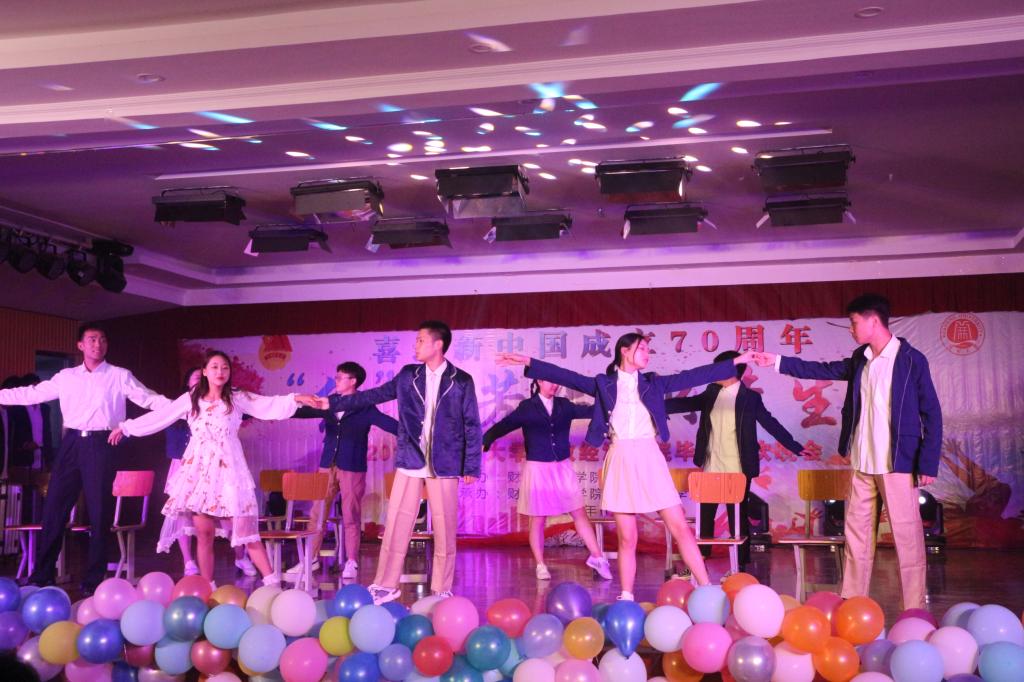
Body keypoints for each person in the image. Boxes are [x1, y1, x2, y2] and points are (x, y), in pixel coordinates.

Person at [497, 334, 753, 601]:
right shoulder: (603, 384)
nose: (647, 353)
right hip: (620, 457)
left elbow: (694, 376)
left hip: (649, 457)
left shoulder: (654, 383)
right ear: (625, 351)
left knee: (680, 527)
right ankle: (627, 595)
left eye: (648, 349)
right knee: (627, 537)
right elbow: (567, 376)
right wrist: (528, 361)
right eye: (642, 348)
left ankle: (706, 587)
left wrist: (738, 361)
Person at [753, 293, 942, 610]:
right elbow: (822, 370)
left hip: (898, 462)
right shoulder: (860, 359)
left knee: (907, 538)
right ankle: (853, 602)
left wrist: (928, 463)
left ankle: (914, 608)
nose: (851, 329)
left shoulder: (911, 360)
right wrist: (776, 361)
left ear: (873, 320)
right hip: (862, 461)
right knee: (856, 537)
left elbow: (931, 413)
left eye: (854, 322)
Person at [110, 350, 320, 587]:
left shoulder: (236, 397)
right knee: (204, 534)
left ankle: (272, 586)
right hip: (200, 474)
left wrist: (296, 398)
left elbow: (267, 404)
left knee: (247, 534)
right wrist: (127, 428)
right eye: (215, 367)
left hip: (230, 472)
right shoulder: (191, 399)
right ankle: (207, 588)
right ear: (205, 371)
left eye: (225, 368)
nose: (220, 372)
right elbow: (161, 416)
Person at [0, 323, 172, 595]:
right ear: (80, 345)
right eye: (92, 339)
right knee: (54, 508)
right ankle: (42, 575)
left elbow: (149, 399)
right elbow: (31, 393)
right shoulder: (66, 376)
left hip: (102, 444)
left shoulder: (119, 375)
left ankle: (94, 579)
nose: (98, 344)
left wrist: (183, 407)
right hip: (70, 444)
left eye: (102, 339)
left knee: (99, 512)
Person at [317, 321, 481, 605]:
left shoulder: (462, 381)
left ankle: (441, 587)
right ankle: (386, 584)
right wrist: (332, 403)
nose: (415, 345)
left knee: (445, 527)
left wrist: (471, 466)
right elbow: (374, 395)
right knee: (396, 523)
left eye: (420, 340)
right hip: (411, 458)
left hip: (446, 462)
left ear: (438, 344)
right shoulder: (408, 376)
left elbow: (472, 425)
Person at [666, 350, 810, 571]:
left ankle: (740, 565)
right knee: (706, 516)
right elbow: (685, 404)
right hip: (712, 464)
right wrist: (652, 403)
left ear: (731, 370)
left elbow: (771, 424)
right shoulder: (711, 392)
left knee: (738, 518)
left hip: (738, 466)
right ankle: (699, 561)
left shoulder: (750, 398)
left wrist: (796, 447)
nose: (712, 373)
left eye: (717, 368)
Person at [483, 379, 613, 581]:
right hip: (538, 468)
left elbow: (589, 411)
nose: (554, 385)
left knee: (579, 512)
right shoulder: (528, 407)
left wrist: (610, 402)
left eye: (556, 382)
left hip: (562, 467)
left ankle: (597, 557)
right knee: (538, 518)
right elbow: (505, 425)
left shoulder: (564, 405)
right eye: (549, 381)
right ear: (538, 381)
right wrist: (487, 438)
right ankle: (540, 564)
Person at [289, 361, 399, 581]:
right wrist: (272, 409)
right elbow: (302, 412)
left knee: (350, 514)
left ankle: (351, 561)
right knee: (317, 512)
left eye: (341, 377)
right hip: (327, 464)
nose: (336, 380)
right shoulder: (330, 402)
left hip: (352, 466)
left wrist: (420, 434)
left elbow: (390, 424)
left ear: (353, 381)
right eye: (337, 376)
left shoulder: (365, 407)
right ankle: (311, 558)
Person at [163, 367, 257, 578]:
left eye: (202, 377)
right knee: (184, 516)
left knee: (229, 511)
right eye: (195, 378)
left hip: (215, 466)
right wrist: (127, 427)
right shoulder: (181, 405)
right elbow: (158, 416)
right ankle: (188, 561)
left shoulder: (224, 402)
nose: (200, 381)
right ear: (187, 383)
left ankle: (240, 555)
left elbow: (252, 408)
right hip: (186, 466)